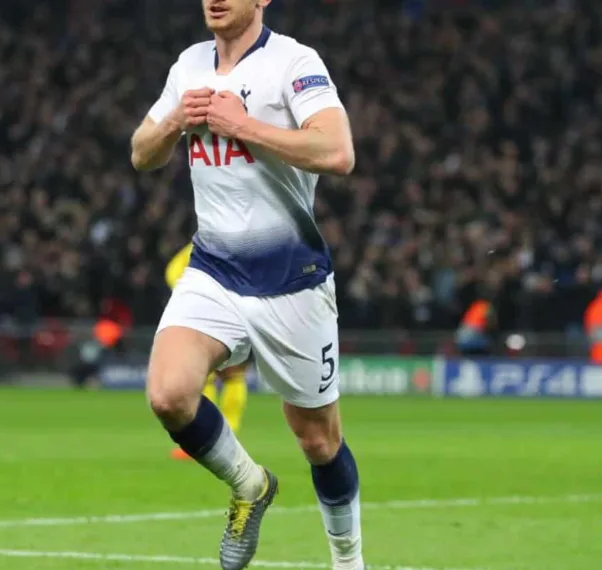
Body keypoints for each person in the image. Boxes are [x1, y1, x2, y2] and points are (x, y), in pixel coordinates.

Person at [129, 0, 360, 568]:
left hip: (292, 280)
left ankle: (348, 560)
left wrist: (242, 126)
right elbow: (141, 154)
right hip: (213, 269)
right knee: (168, 394)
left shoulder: (294, 63)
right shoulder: (189, 65)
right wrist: (174, 122)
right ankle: (250, 485)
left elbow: (337, 152)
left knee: (318, 440)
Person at [165, 242, 249, 461]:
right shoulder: (236, 241)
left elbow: (173, 271)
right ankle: (215, 438)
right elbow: (173, 271)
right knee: (221, 376)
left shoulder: (207, 241)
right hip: (230, 312)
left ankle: (209, 439)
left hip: (217, 314)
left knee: (219, 375)